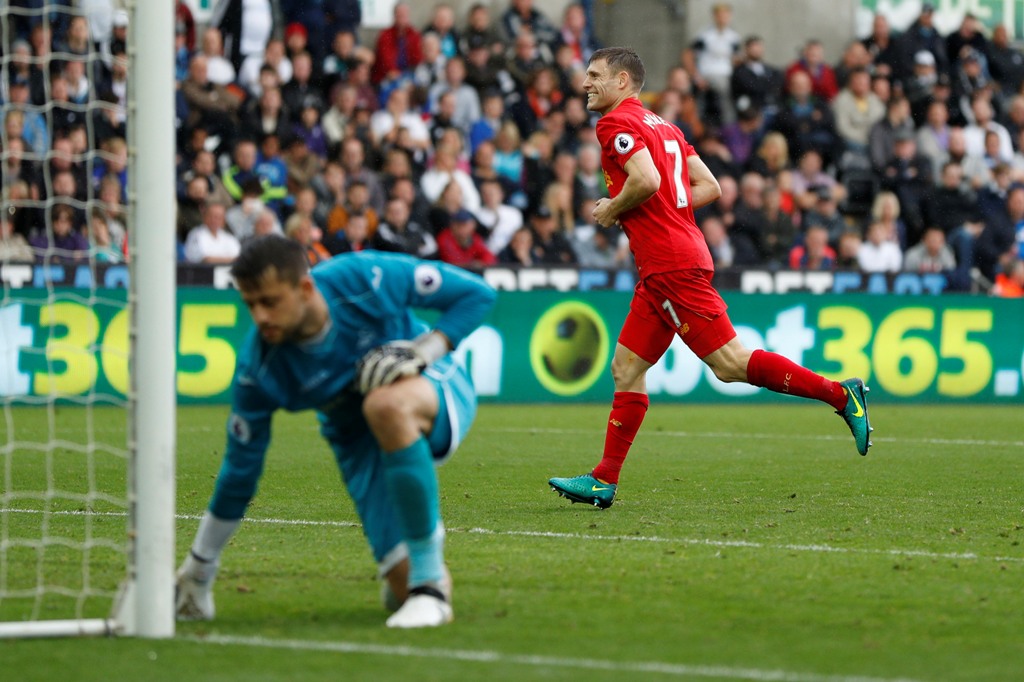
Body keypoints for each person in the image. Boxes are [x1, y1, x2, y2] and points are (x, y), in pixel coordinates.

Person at [547, 47, 872, 510]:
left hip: (671, 265)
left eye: (595, 75)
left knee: (730, 364)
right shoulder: (666, 127)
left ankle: (841, 395)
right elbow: (709, 187)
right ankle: (604, 479)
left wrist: (613, 209)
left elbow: (646, 182)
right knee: (627, 368)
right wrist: (653, 211)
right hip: (667, 265)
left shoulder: (614, 124)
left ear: (623, 81)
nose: (585, 83)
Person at [175, 235, 496, 629]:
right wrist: (199, 568)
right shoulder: (258, 368)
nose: (259, 316)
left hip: (432, 383)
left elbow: (477, 294)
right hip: (354, 441)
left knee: (385, 405)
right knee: (400, 592)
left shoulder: (366, 277)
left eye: (270, 301)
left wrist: (422, 351)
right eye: (251, 304)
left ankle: (429, 589)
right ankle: (411, 582)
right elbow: (239, 475)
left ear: (305, 288)